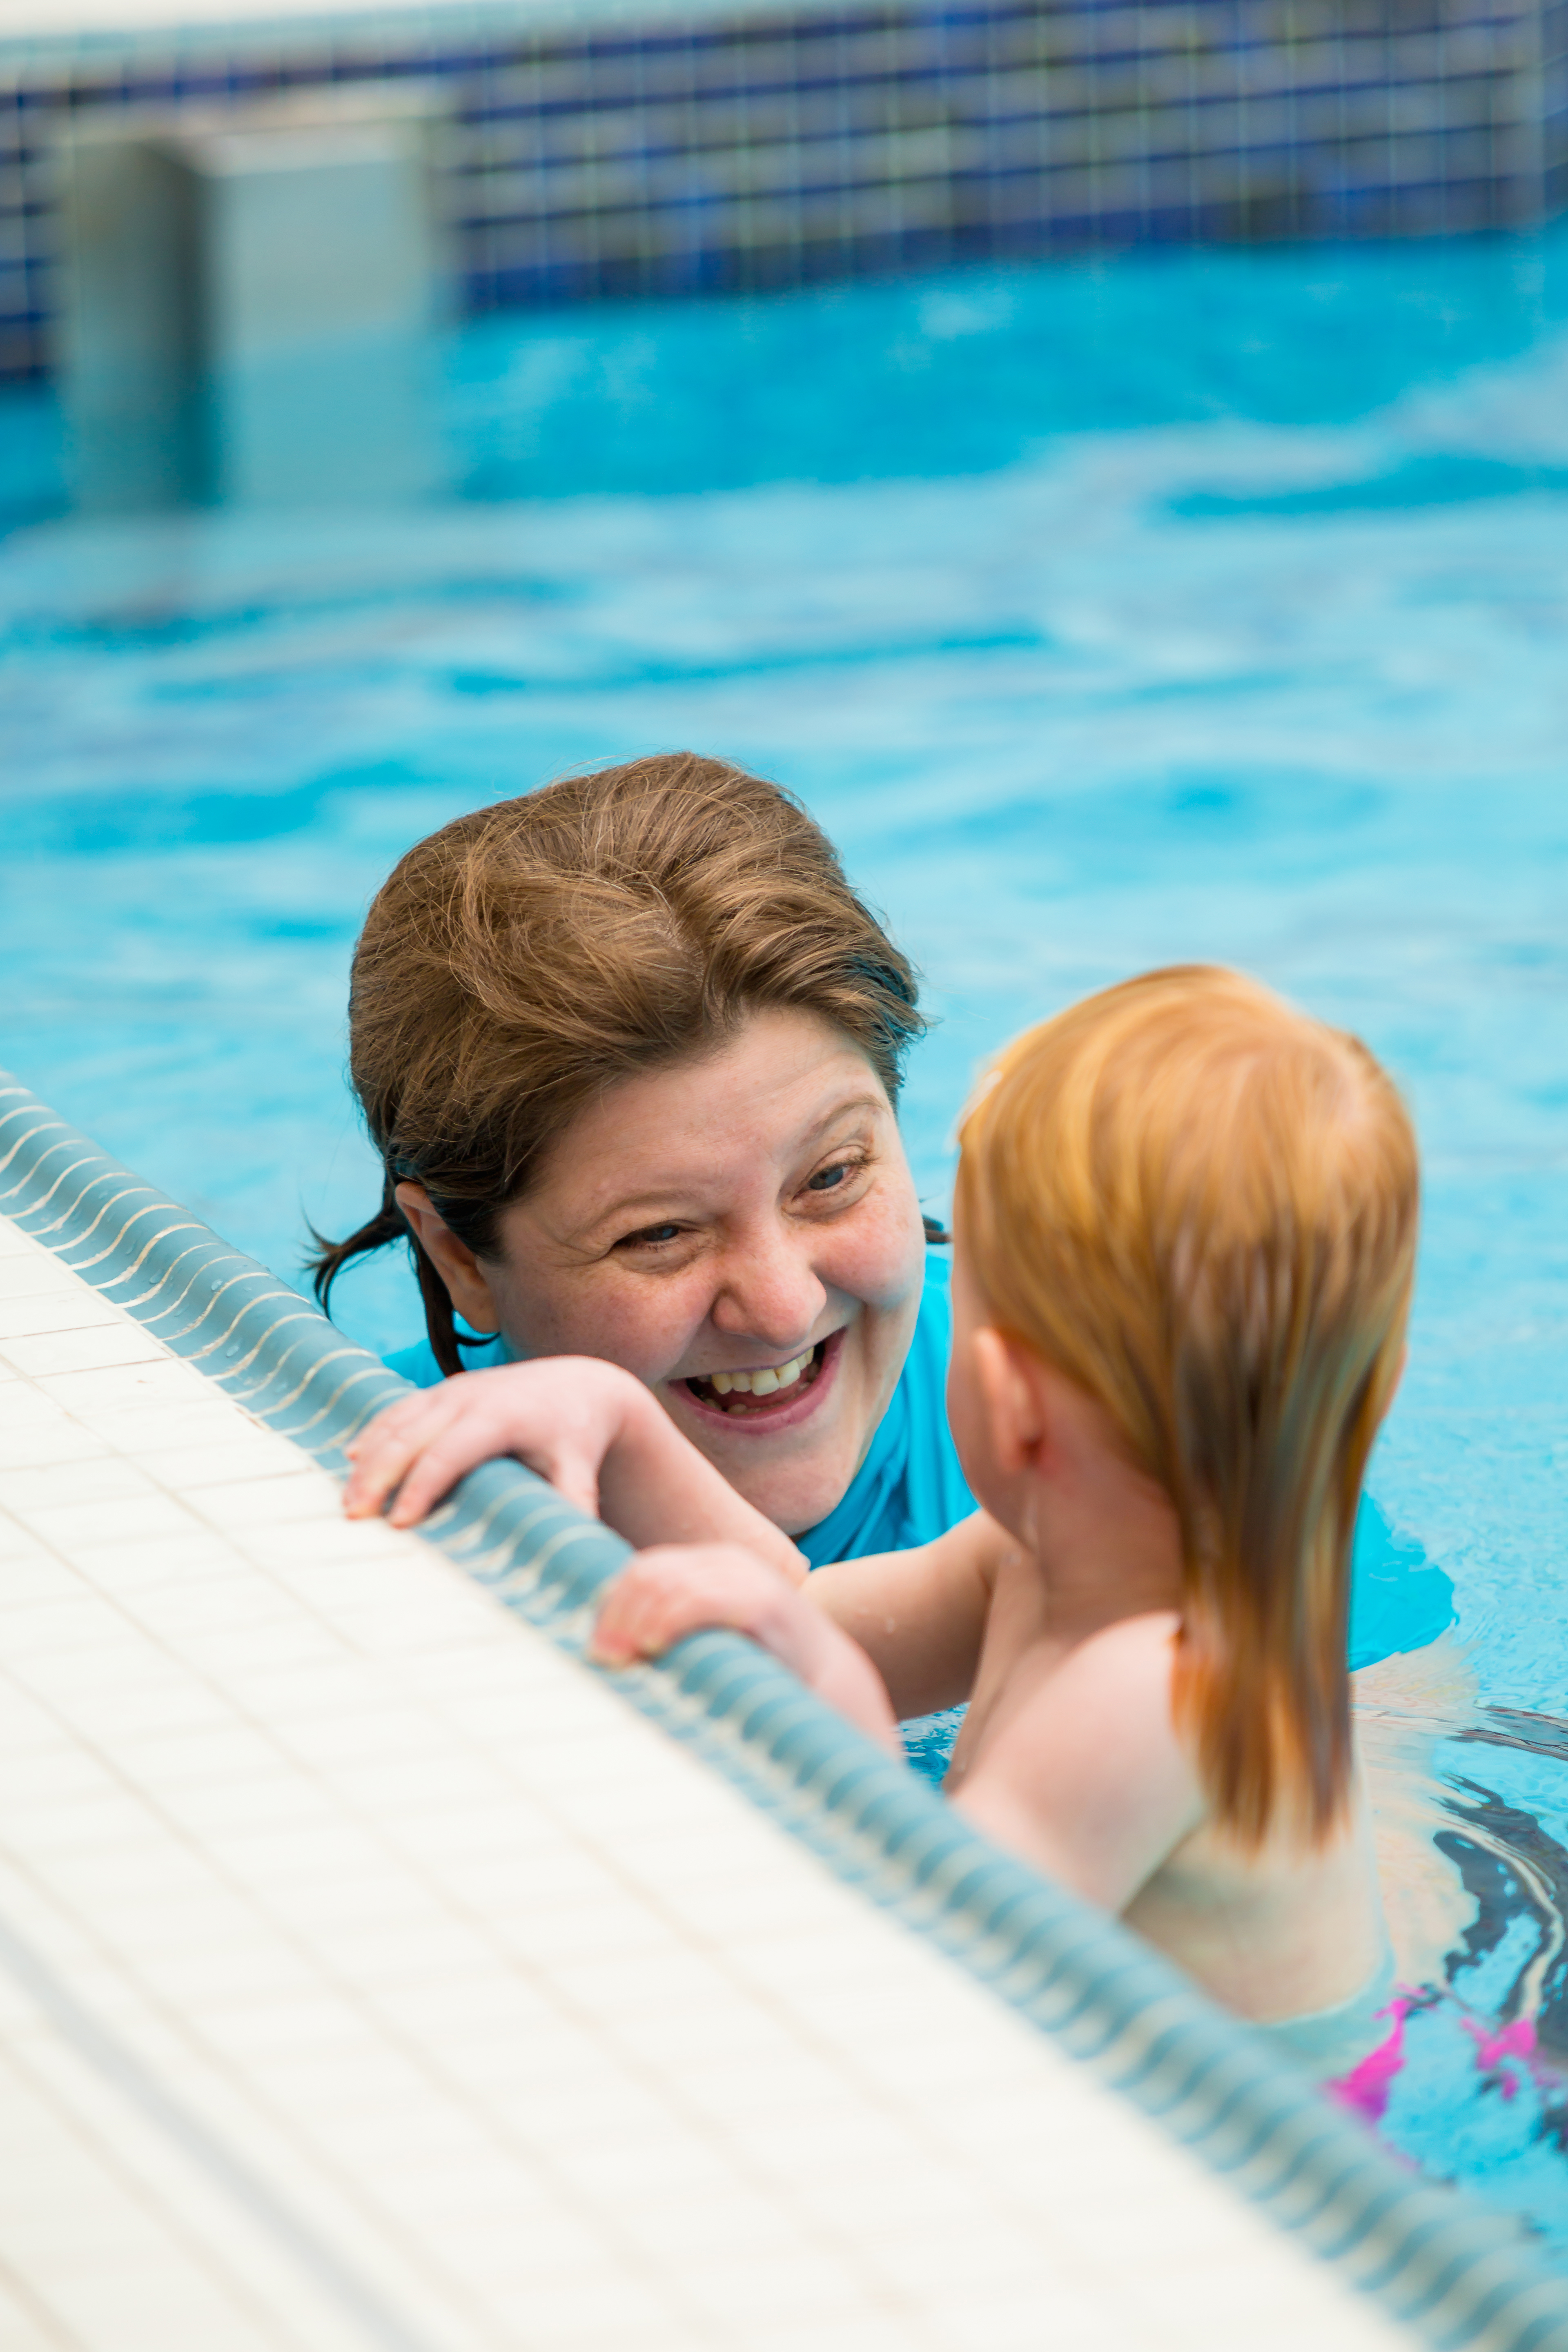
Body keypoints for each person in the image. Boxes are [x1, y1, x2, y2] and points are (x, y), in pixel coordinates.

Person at [325, 758, 1452, 1741]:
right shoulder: (378, 1494)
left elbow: (1419, 1867)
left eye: (831, 1177)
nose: (777, 1306)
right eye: (660, 1234)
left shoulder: (1141, 1440)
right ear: (458, 1255)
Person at [583, 966, 1416, 2063]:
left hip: (1244, 2168)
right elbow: (802, 1609)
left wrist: (833, 1699)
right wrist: (615, 1425)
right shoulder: (1032, 1556)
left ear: (1011, 1400)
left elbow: (928, 1984)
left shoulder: (1162, 1691)